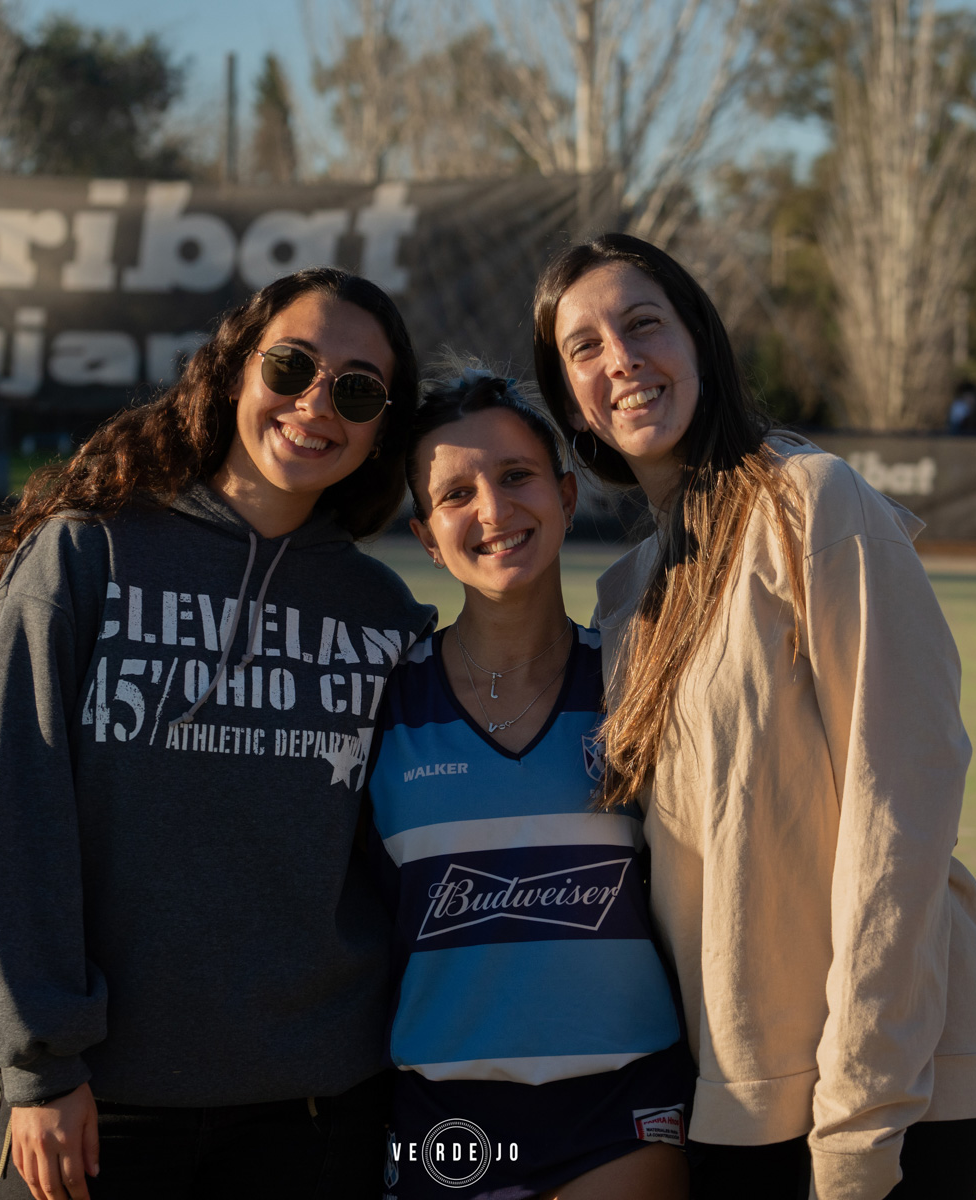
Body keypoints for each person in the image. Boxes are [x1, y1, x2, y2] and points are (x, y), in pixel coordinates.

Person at [0, 267, 437, 1200]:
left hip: (317, 1111)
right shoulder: (87, 555)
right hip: (97, 1103)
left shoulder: (386, 615)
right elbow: (12, 818)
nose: (315, 403)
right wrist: (40, 1065)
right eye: (291, 366)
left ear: (381, 429)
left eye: (358, 391)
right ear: (235, 371)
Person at [531, 234, 976, 1200]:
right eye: (584, 347)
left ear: (699, 341)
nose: (620, 359)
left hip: (875, 1088)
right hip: (731, 1084)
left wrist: (863, 1111)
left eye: (642, 324)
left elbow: (901, 809)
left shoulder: (811, 503)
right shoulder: (629, 594)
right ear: (571, 400)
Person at [368, 369, 693, 1198]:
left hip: (622, 1100)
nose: (494, 510)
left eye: (516, 476)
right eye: (456, 494)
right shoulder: (384, 704)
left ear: (566, 495)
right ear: (425, 535)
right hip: (446, 1112)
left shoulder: (635, 682)